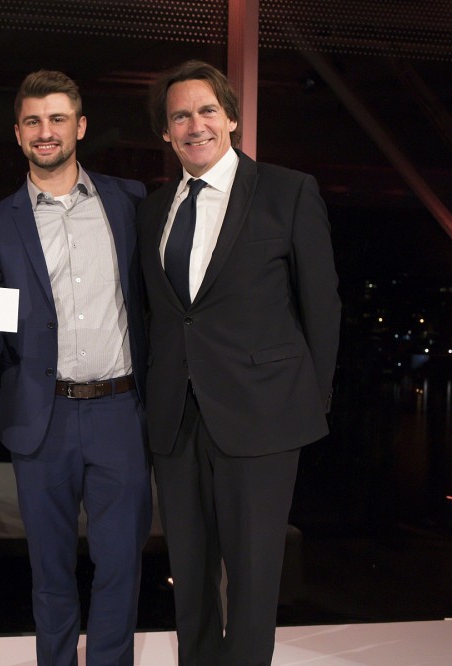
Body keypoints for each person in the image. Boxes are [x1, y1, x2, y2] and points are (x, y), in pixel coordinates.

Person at [137, 60, 341, 665]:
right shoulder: (153, 209)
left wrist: (308, 402)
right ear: (166, 132)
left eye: (206, 110)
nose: (194, 124)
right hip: (177, 418)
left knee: (253, 580)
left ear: (230, 118)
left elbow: (322, 305)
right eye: (180, 116)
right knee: (190, 578)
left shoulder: (287, 191)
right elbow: (160, 315)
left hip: (264, 415)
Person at [0, 70, 151, 666]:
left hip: (121, 412)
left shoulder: (131, 201)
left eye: (58, 118)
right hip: (43, 416)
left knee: (120, 567)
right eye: (33, 120)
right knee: (50, 572)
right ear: (18, 132)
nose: (45, 131)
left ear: (80, 127)